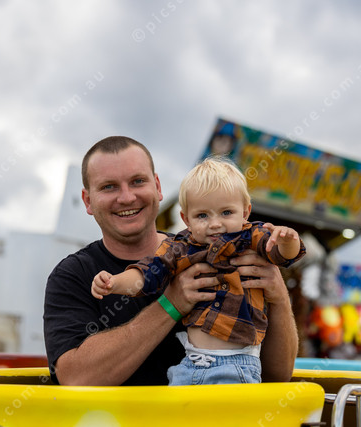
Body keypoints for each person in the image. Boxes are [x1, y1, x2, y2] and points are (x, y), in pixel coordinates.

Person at [43, 136, 299, 386]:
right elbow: (76, 378)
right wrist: (172, 304)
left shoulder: (238, 254)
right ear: (88, 201)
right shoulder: (73, 275)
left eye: (138, 181)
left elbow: (277, 377)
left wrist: (278, 297)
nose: (127, 197)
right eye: (109, 186)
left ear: (157, 187)